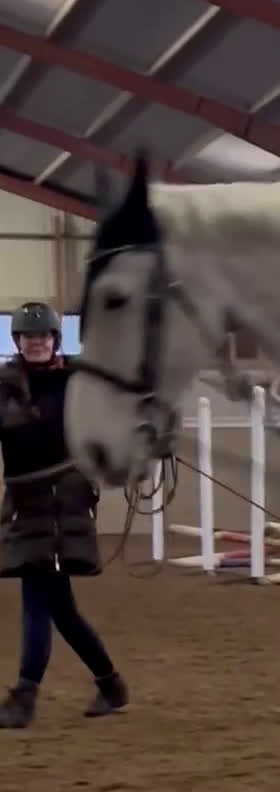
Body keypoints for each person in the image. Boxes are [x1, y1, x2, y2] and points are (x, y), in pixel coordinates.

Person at [0, 299, 128, 728]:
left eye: (43, 336)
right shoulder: (5, 386)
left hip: (64, 506)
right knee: (59, 607)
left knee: (37, 596)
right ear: (18, 341)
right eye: (28, 336)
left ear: (55, 339)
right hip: (25, 506)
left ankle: (24, 696)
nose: (36, 343)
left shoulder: (80, 383)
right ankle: (110, 684)